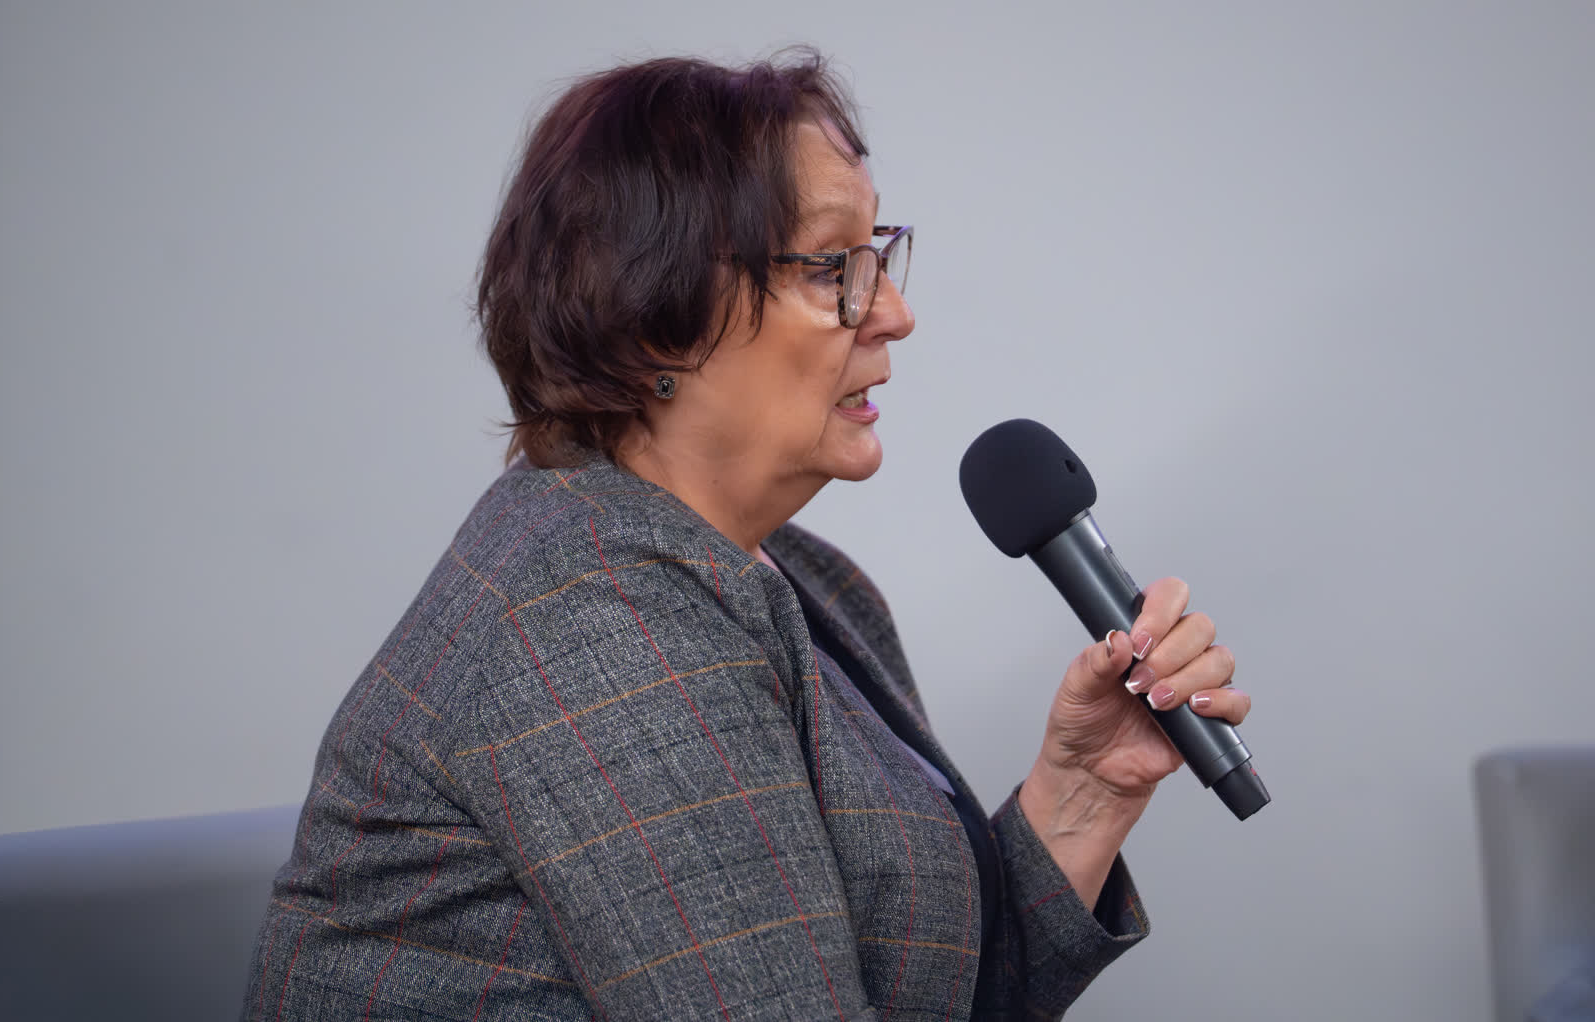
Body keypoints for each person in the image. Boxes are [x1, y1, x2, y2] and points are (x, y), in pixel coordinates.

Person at [242, 49, 1251, 1021]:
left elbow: (936, 995)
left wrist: (1083, 788)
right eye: (833, 268)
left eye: (879, 254)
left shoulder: (813, 582)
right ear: (654, 312)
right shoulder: (590, 614)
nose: (894, 312)